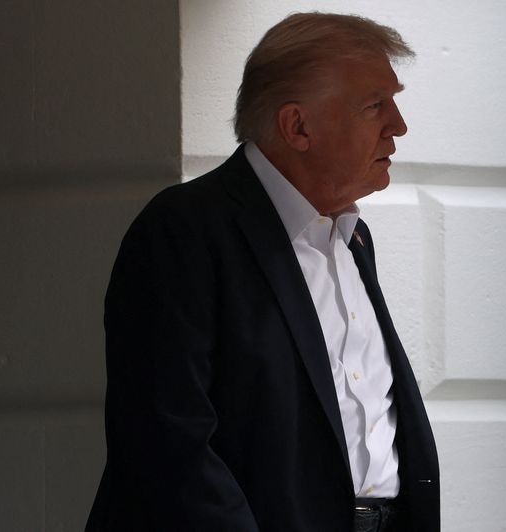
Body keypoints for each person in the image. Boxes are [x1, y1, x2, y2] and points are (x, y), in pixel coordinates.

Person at [87, 12, 439, 532]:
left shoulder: (353, 237)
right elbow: (168, 444)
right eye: (375, 106)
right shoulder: (183, 231)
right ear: (297, 126)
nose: (398, 125)